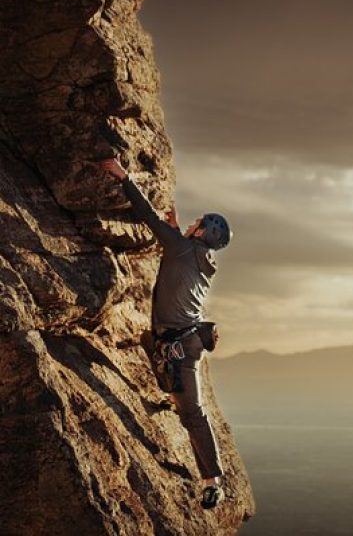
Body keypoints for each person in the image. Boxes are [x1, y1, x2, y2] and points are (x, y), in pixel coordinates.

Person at [99, 157, 232, 510]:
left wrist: (123, 176)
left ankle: (214, 482)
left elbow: (146, 214)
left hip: (180, 345)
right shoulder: (197, 254)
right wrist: (179, 233)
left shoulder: (183, 246)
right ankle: (172, 396)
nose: (191, 223)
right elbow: (179, 252)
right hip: (178, 339)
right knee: (151, 350)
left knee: (193, 414)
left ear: (202, 233)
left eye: (196, 223)